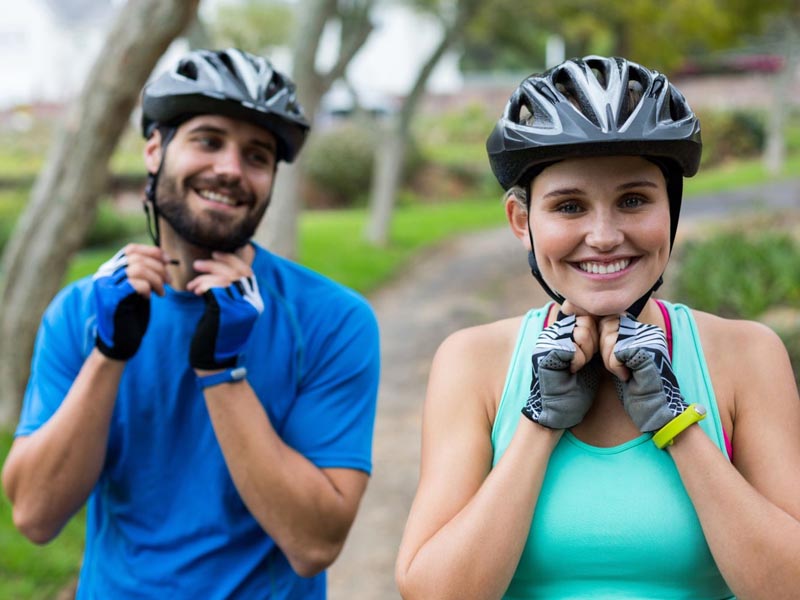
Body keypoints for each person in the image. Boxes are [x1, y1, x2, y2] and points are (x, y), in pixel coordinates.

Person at [395, 55, 800, 599]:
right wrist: (539, 423)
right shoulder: (471, 362)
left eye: (633, 200)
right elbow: (434, 593)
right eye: (569, 206)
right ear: (522, 222)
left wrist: (677, 425)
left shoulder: (747, 354)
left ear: (671, 211)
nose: (604, 236)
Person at [2, 48, 380, 599]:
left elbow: (315, 545)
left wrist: (222, 370)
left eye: (256, 156)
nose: (230, 169)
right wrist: (108, 353)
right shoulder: (79, 312)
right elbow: (35, 516)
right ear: (155, 150)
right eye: (208, 141)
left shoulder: (333, 319)